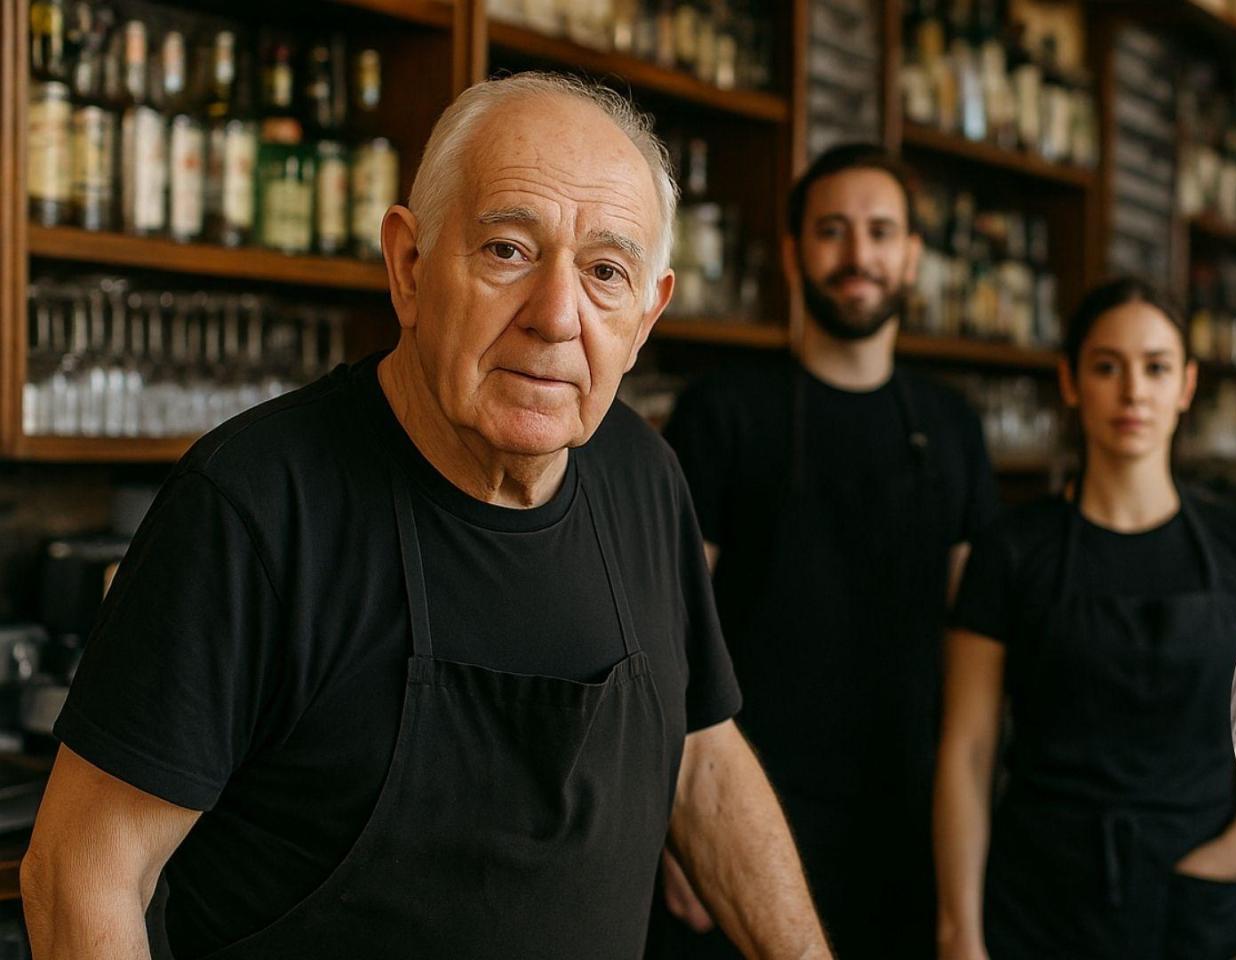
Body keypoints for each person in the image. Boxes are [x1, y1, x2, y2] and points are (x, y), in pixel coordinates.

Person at [21, 73, 829, 960]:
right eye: (508, 251)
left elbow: (702, 759)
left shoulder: (643, 473)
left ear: (646, 316)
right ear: (409, 266)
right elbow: (81, 876)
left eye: (605, 272)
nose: (556, 316)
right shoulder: (254, 506)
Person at [651, 144, 998, 959]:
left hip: (907, 830)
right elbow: (663, 632)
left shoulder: (951, 426)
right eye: (832, 230)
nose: (857, 255)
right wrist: (673, 822)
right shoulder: (724, 410)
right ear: (792, 253)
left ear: (911, 256)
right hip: (740, 818)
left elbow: (975, 651)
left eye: (880, 232)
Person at [936, 277, 1236, 960]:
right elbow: (968, 750)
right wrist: (959, 931)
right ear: (1070, 383)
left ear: (1186, 385)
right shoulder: (1013, 548)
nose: (1133, 392)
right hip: (1039, 903)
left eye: (1155, 367)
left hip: (1195, 904)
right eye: (1106, 367)